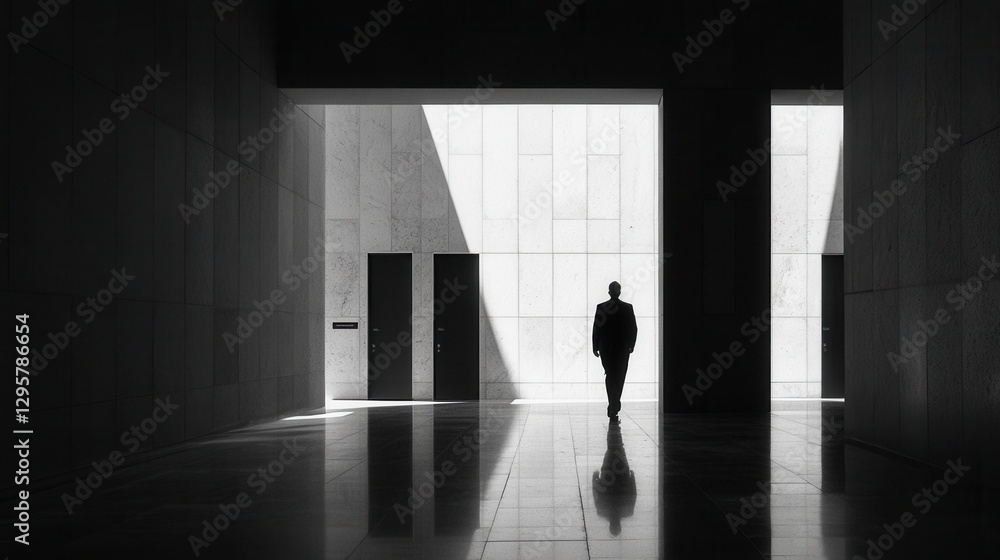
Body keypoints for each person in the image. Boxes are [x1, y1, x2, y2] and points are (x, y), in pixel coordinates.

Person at [592, 281, 638, 423]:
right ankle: (614, 406)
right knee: (619, 377)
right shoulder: (627, 308)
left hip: (606, 348)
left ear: (609, 292)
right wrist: (631, 345)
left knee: (610, 376)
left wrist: (595, 346)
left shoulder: (601, 307)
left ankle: (613, 406)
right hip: (622, 348)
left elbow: (597, 329)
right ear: (619, 292)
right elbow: (633, 328)